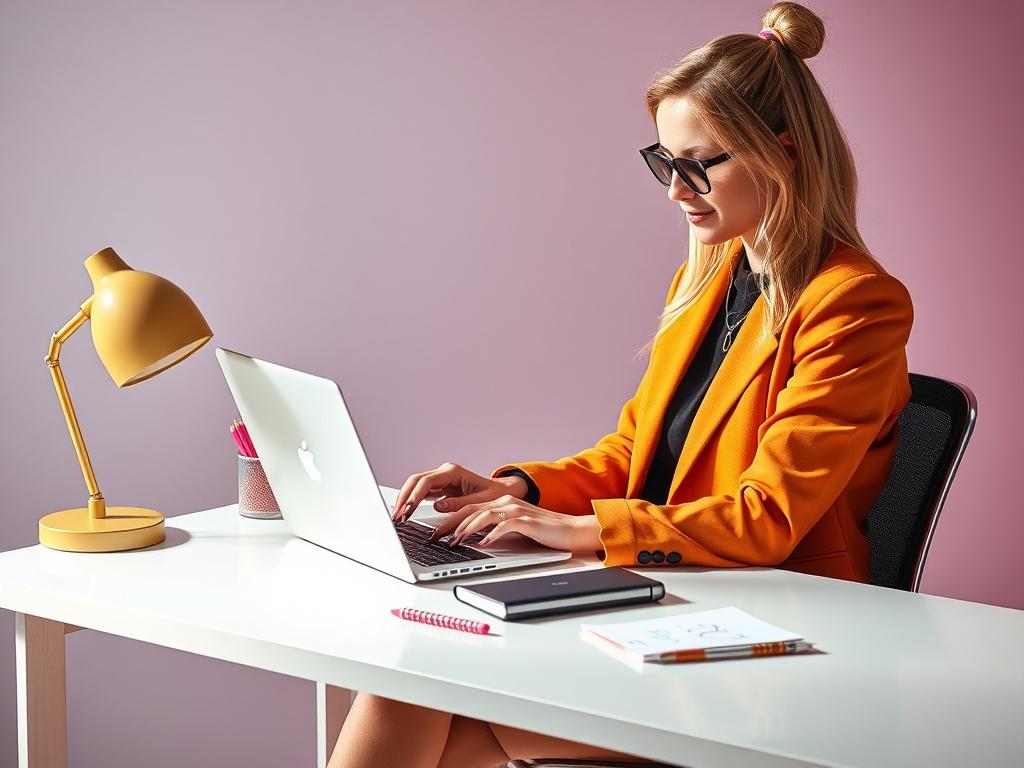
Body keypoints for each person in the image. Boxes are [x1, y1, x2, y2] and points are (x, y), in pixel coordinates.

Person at [329, 2, 914, 766]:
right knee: (421, 696)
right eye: (666, 161)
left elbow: (766, 516)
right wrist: (518, 491)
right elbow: (636, 452)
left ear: (788, 150)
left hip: (779, 640)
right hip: (673, 601)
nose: (677, 189)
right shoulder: (709, 280)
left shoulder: (855, 302)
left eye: (702, 163)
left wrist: (583, 530)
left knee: (412, 689)